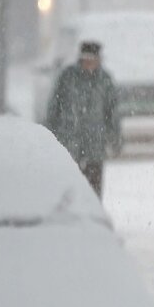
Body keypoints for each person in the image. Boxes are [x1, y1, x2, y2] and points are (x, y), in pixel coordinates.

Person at [45, 41, 121, 198]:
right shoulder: (67, 77)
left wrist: (115, 139)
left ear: (99, 60)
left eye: (92, 60)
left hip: (95, 147)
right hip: (69, 146)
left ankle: (92, 219)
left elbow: (112, 112)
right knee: (69, 192)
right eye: (85, 60)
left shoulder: (104, 80)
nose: (88, 64)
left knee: (93, 191)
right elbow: (54, 108)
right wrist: (50, 136)